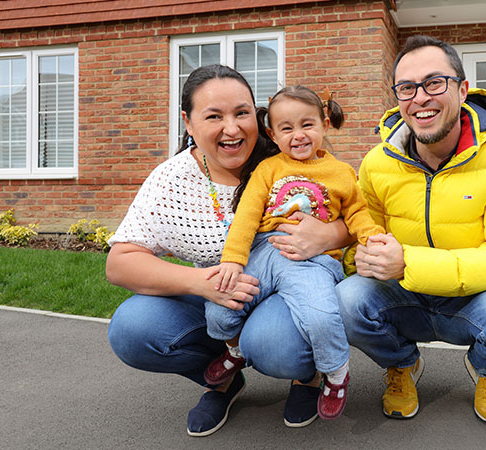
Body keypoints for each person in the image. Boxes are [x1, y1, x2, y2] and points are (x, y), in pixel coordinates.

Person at [105, 65, 352, 436]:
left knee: (274, 344)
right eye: (214, 116)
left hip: (287, 286)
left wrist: (330, 235)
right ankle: (225, 379)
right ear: (188, 123)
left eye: (242, 113)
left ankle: (308, 376)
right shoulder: (172, 179)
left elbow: (357, 211)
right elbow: (120, 263)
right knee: (132, 328)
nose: (232, 128)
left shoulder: (291, 155)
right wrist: (202, 282)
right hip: (218, 294)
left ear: (259, 116)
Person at [336, 35, 486, 424]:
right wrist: (359, 256)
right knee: (346, 301)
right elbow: (359, 236)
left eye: (435, 83)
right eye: (406, 88)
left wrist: (407, 263)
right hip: (403, 295)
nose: (420, 98)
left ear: (463, 89)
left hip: (473, 299)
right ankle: (402, 365)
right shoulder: (377, 162)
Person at [202, 85, 384, 421]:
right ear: (272, 133)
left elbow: (357, 213)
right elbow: (247, 214)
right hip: (264, 250)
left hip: (312, 261)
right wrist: (233, 259)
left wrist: (371, 238)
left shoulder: (342, 173)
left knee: (321, 316)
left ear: (325, 124)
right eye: (287, 128)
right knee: (220, 304)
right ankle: (235, 350)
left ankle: (335, 373)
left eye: (307, 125)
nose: (298, 135)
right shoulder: (268, 168)